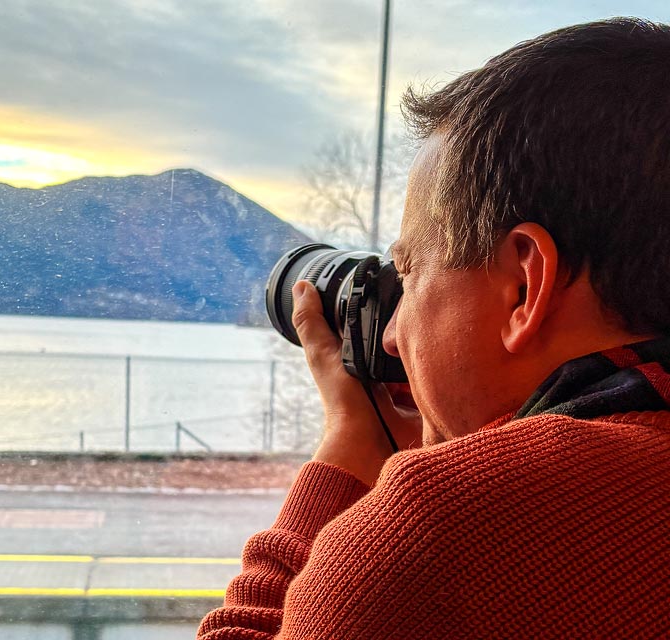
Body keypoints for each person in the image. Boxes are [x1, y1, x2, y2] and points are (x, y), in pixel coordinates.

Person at [198, 18, 670, 639]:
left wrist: (349, 449)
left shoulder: (447, 526)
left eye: (410, 273)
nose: (392, 335)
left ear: (524, 288)